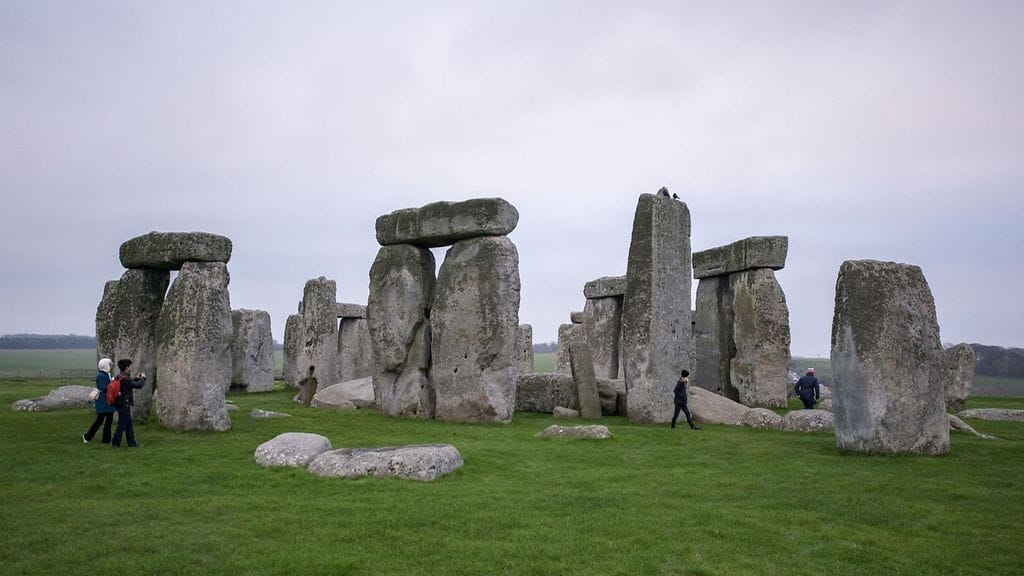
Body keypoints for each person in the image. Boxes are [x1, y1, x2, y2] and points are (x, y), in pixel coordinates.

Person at [110, 358, 147, 448]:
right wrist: (143, 378)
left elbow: (129, 383)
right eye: (130, 366)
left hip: (120, 403)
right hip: (124, 404)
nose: (131, 368)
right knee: (122, 424)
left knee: (128, 425)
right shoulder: (125, 378)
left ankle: (132, 443)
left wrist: (137, 378)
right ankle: (115, 443)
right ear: (127, 367)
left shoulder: (120, 376)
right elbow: (138, 385)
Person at [82, 358, 116, 444]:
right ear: (105, 366)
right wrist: (112, 383)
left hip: (107, 400)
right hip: (102, 401)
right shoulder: (101, 375)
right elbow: (103, 388)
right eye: (109, 364)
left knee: (108, 422)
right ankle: (87, 436)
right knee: (99, 420)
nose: (110, 366)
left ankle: (106, 440)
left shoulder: (106, 374)